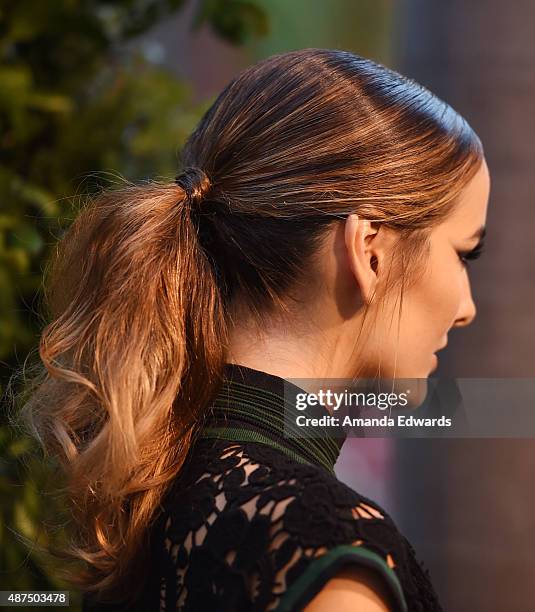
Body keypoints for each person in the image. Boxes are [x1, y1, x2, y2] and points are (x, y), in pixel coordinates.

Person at [18, 48, 490, 611]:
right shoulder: (327, 558)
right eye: (464, 253)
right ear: (370, 251)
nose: (467, 308)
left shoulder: (149, 486)